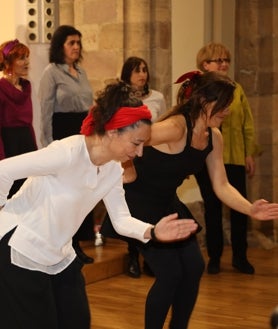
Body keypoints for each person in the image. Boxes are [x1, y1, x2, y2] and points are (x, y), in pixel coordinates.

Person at [0, 81, 198, 329]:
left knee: (77, 320)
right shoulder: (67, 152)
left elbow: (121, 219)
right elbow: (3, 170)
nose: (139, 153)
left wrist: (153, 231)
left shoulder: (112, 169)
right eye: (136, 143)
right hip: (20, 249)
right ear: (113, 131)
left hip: (59, 253)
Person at [101, 71, 278, 329]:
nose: (228, 110)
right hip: (139, 203)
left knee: (194, 267)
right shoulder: (175, 128)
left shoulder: (213, 137)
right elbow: (129, 136)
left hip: (166, 204)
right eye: (224, 103)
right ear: (204, 101)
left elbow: (222, 184)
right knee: (171, 274)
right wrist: (127, 168)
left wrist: (251, 209)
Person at [192, 42, 260, 274]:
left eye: (226, 60)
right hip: (206, 159)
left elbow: (247, 123)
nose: (224, 64)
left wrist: (249, 152)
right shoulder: (198, 90)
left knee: (240, 207)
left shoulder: (237, 89)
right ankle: (214, 257)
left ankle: (240, 256)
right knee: (212, 208)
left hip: (234, 157)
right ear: (205, 64)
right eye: (218, 60)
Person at [39, 25, 94, 263]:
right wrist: (48, 145)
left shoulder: (81, 72)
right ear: (60, 45)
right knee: (66, 192)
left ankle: (78, 244)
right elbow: (44, 111)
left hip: (82, 133)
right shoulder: (51, 72)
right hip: (62, 132)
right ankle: (65, 245)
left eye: (78, 43)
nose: (76, 47)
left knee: (82, 190)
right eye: (71, 42)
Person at [120, 56, 167, 277]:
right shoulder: (120, 98)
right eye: (137, 70)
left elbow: (164, 126)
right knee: (133, 207)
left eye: (144, 70)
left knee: (153, 206)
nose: (142, 74)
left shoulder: (157, 97)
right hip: (130, 157)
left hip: (153, 158)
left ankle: (152, 256)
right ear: (127, 74)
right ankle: (132, 255)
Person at [0, 39, 37, 197]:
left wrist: (35, 152)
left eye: (27, 57)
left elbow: (29, 124)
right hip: (9, 147)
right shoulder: (1, 88)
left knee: (28, 192)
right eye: (22, 58)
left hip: (26, 144)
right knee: (12, 195)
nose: (26, 62)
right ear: (9, 62)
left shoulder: (26, 87)